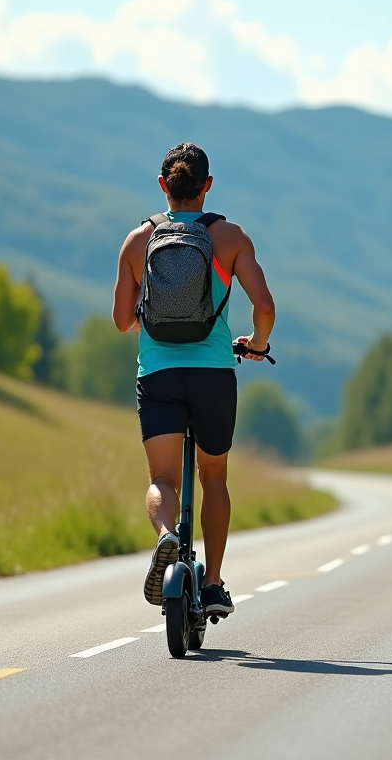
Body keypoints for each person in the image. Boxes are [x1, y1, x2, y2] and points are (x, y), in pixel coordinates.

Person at [112, 142, 276, 616]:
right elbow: (263, 307)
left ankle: (168, 536)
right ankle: (214, 584)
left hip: (159, 373)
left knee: (163, 478)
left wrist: (156, 319)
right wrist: (257, 345)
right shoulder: (229, 238)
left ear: (162, 185)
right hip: (213, 373)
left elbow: (123, 320)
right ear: (207, 186)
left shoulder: (137, 241)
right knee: (214, 476)